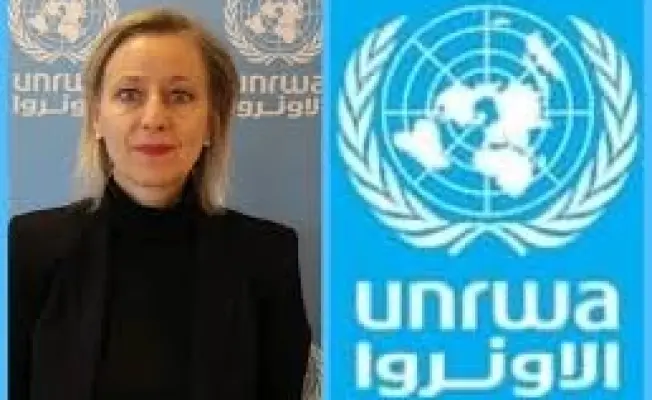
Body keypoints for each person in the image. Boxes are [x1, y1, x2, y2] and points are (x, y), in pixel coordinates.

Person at [9, 7, 312, 400]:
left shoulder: (268, 256)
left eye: (180, 96)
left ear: (212, 123)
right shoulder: (30, 248)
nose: (154, 118)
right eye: (129, 94)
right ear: (96, 117)